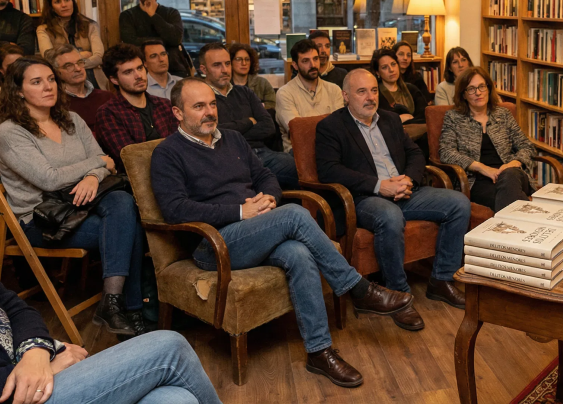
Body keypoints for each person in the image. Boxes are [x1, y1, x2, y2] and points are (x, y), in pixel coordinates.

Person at [151, 77, 413, 388]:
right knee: (295, 215)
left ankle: (319, 351)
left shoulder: (233, 139)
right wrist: (240, 211)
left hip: (256, 230)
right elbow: (175, 210)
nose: (209, 112)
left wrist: (270, 198)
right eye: (198, 107)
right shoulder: (168, 153)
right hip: (214, 244)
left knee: (298, 252)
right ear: (178, 113)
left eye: (211, 104)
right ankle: (358, 289)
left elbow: (265, 175)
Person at [0, 224, 221, 404]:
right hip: (7, 392)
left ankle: (115, 300)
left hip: (26, 364)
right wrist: (44, 368)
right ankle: (117, 301)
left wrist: (35, 351)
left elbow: (11, 304)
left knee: (176, 399)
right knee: (170, 347)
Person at [0, 57, 149, 337]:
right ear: (18, 91)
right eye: (36, 82)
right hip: (43, 219)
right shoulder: (10, 132)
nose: (48, 87)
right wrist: (97, 165)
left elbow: (108, 162)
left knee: (122, 203)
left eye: (51, 79)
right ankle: (133, 308)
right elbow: (48, 178)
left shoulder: (72, 120)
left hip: (86, 205)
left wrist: (93, 175)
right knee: (128, 224)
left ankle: (113, 304)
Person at [316, 69, 471, 331]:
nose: (370, 97)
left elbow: (415, 153)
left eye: (374, 90)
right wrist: (380, 186)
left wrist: (408, 179)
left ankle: (441, 280)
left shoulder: (389, 120)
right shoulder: (330, 127)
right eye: (361, 91)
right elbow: (330, 170)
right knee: (389, 215)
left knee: (459, 203)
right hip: (363, 199)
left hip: (405, 190)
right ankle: (397, 295)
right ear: (345, 96)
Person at [198, 43, 300, 190]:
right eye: (217, 65)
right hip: (230, 160)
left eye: (227, 64)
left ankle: (320, 211)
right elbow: (214, 133)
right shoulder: (201, 98)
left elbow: (268, 126)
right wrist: (248, 122)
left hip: (263, 154)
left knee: (306, 168)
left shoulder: (245, 92)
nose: (224, 70)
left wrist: (232, 130)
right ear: (203, 69)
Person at [439, 67, 536, 212]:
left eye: (481, 87)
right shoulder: (453, 118)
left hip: (512, 175)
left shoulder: (503, 114)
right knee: (508, 199)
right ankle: (530, 221)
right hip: (478, 181)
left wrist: (514, 163)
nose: (478, 92)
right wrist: (481, 167)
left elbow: (526, 146)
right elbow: (446, 152)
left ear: (489, 89)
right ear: (464, 95)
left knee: (509, 178)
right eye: (471, 89)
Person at [94, 44, 178, 172]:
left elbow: (181, 145)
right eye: (128, 72)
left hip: (176, 173)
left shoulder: (164, 105)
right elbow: (131, 158)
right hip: (135, 183)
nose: (138, 75)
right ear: (114, 80)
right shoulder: (108, 113)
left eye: (140, 68)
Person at [119, 0, 192, 77]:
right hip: (142, 72)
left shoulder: (171, 13)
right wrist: (164, 41)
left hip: (174, 69)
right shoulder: (127, 16)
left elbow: (175, 39)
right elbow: (131, 43)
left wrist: (153, 15)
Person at [276, 39, 343, 153]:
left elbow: (341, 127)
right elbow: (299, 131)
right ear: (295, 65)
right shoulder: (285, 93)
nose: (313, 65)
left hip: (333, 149)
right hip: (300, 153)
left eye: (315, 59)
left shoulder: (334, 90)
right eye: (305, 61)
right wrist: (327, 122)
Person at [36, 0, 106, 89]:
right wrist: (82, 55)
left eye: (67, 0)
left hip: (93, 77)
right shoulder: (43, 30)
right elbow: (49, 57)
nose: (64, 5)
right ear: (51, 7)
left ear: (72, 1)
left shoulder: (90, 25)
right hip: (63, 81)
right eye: (58, 2)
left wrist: (69, 65)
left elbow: (99, 56)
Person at [45, 44, 114, 129]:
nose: (78, 69)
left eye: (80, 62)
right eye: (68, 66)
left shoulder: (107, 97)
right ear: (56, 72)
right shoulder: (56, 104)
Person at [371, 48, 426, 124]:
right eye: (384, 67)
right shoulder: (375, 95)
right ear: (377, 72)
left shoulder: (412, 89)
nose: (391, 70)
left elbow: (424, 116)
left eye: (393, 64)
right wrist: (398, 119)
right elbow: (378, 122)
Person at [229, 42, 276, 110]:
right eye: (239, 59)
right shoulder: (225, 84)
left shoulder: (262, 83)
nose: (244, 63)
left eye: (247, 59)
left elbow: (272, 105)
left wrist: (258, 107)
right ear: (230, 62)